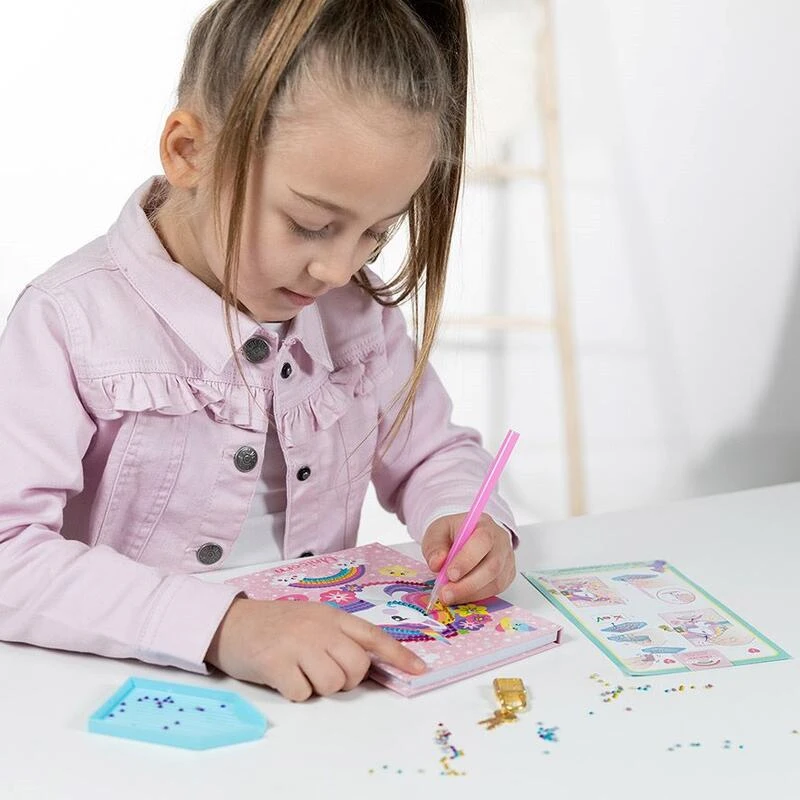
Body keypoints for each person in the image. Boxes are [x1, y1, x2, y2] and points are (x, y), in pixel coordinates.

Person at [0, 0, 518, 702]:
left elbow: (432, 453)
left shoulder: (355, 315)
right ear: (189, 152)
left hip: (319, 696)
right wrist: (227, 628)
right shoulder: (70, 320)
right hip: (118, 696)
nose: (338, 268)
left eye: (375, 232)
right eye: (310, 224)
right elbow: (8, 555)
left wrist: (465, 517)